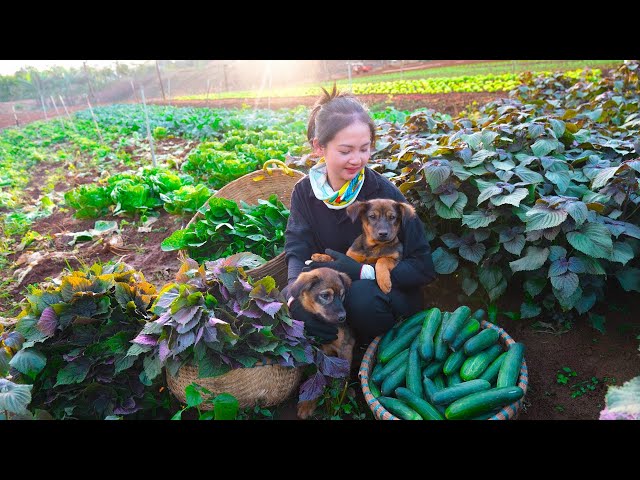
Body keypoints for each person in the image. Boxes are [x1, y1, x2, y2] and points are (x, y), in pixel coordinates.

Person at [283, 85, 436, 346]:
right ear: (319, 147)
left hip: (388, 296)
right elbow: (298, 248)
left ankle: (377, 349)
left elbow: (423, 267)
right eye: (346, 151)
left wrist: (362, 271)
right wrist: (293, 296)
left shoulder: (384, 195)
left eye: (364, 149)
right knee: (299, 301)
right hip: (332, 294)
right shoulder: (306, 192)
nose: (357, 159)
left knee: (360, 298)